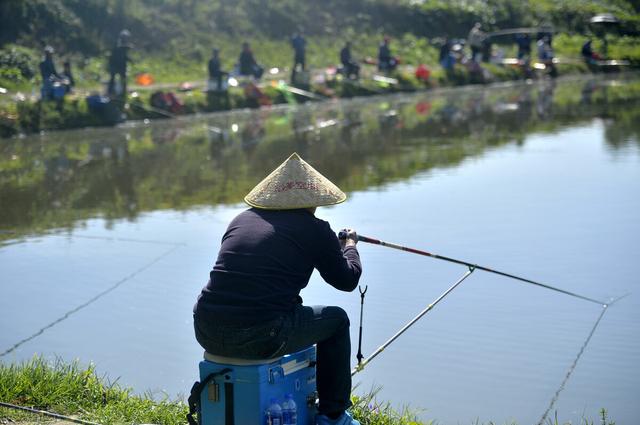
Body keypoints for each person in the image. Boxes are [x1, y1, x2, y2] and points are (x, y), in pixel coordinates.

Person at [193, 153, 362, 425]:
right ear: (314, 201)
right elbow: (347, 280)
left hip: (205, 328)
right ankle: (332, 415)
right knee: (337, 320)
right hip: (261, 336)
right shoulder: (315, 229)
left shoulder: (240, 220)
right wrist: (350, 246)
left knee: (286, 308)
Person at [108, 29, 132, 97]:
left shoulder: (125, 44)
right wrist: (127, 47)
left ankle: (123, 91)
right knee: (112, 78)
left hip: (122, 65)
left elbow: (124, 56)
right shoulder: (118, 42)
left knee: (123, 78)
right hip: (115, 64)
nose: (126, 38)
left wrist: (129, 59)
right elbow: (118, 49)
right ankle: (110, 91)